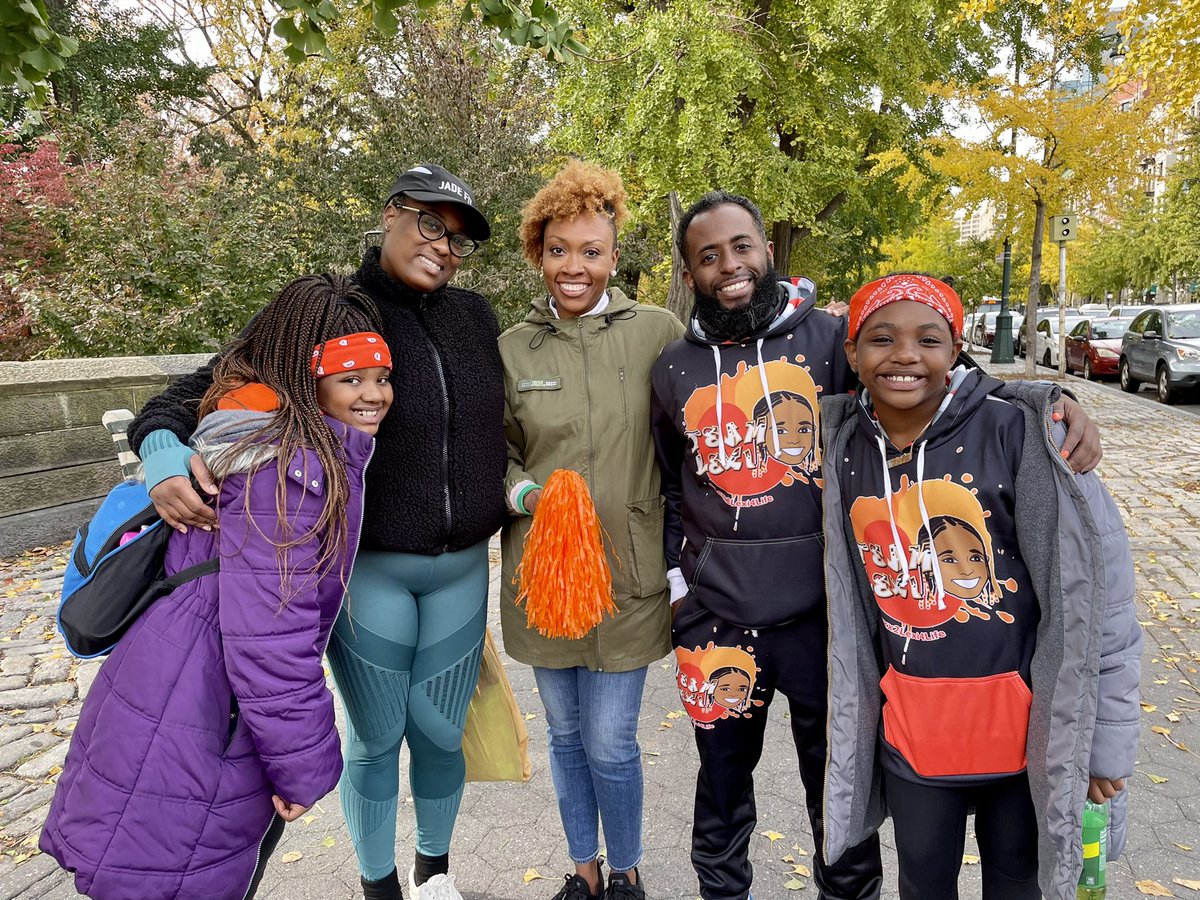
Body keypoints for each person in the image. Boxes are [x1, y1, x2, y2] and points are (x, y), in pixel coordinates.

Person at [649, 192, 1104, 900]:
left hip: (824, 624)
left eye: (741, 246)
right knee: (720, 791)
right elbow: (673, 484)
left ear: (767, 250)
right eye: (708, 256)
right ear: (688, 271)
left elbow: (922, 385)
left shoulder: (831, 341)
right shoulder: (672, 367)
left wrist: (1043, 402)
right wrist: (682, 585)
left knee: (838, 794)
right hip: (717, 625)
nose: (729, 265)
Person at [125, 164, 507, 900]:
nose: (445, 247)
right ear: (392, 213)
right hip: (367, 565)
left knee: (438, 731)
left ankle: (436, 872)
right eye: (432, 223)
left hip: (462, 564)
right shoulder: (332, 311)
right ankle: (379, 884)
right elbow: (198, 388)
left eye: (459, 239)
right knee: (377, 734)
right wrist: (159, 447)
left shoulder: (476, 319)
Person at [40, 274, 393, 900]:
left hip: (166, 692)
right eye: (351, 379)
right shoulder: (288, 476)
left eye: (382, 378)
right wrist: (305, 769)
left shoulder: (246, 436)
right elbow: (270, 642)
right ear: (306, 378)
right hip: (205, 719)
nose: (374, 395)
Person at [820, 273, 1142, 899]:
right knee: (922, 883)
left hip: (1023, 746)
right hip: (915, 737)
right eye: (881, 338)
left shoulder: (1024, 437)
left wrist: (1103, 744)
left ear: (956, 346)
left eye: (928, 338)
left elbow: (1101, 602)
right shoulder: (841, 445)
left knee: (1018, 886)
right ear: (852, 352)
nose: (905, 354)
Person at [499, 160, 684, 900]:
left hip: (629, 578)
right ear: (537, 254)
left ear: (614, 255)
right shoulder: (512, 348)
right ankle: (581, 871)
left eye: (591, 251)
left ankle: (628, 870)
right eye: (558, 250)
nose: (574, 267)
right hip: (544, 579)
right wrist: (524, 493)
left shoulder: (658, 333)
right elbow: (493, 451)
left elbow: (695, 439)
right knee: (565, 737)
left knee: (611, 740)